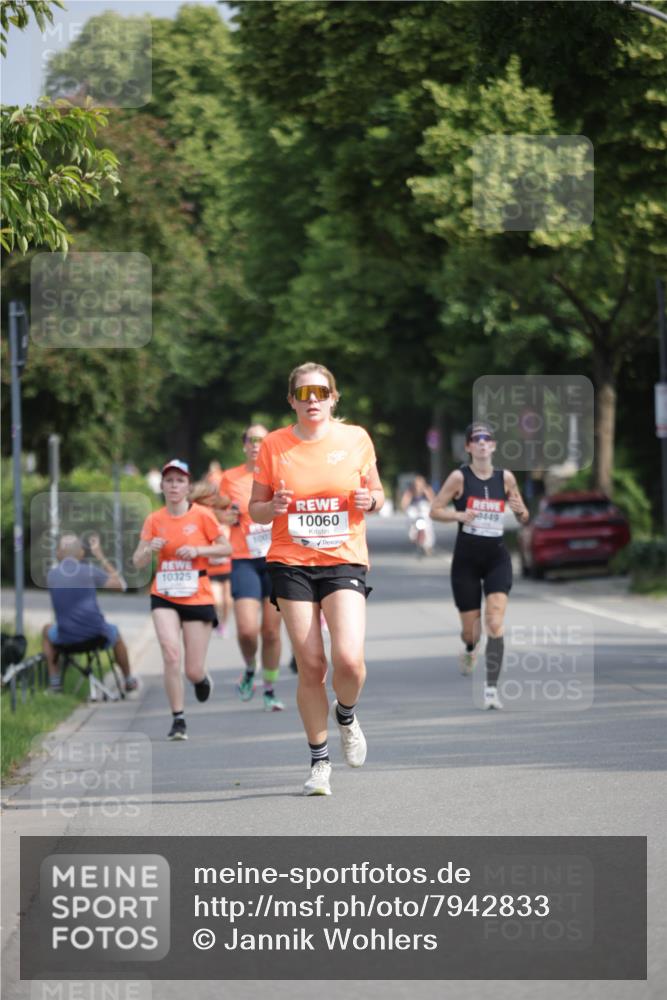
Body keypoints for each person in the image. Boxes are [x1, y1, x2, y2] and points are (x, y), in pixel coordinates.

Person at [249, 362, 384, 796]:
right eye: (303, 394)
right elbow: (256, 509)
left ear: (333, 398)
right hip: (291, 560)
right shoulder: (275, 445)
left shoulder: (356, 439)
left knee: (349, 661)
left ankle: (345, 714)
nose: (312, 401)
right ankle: (319, 762)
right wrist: (276, 506)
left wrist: (371, 499)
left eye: (320, 393)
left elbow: (377, 494)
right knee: (311, 664)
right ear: (291, 400)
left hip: (344, 558)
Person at [430, 422, 530, 710]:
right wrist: (460, 515)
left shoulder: (506, 478)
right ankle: (471, 649)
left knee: (495, 623)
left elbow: (523, 515)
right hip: (466, 562)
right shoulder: (458, 478)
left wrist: (520, 510)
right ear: (469, 446)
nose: (483, 443)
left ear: (494, 445)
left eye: (488, 439)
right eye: (477, 439)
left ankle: (490, 690)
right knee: (471, 632)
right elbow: (434, 510)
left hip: (497, 558)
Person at [132, 459, 231, 740]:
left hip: (197, 594)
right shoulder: (154, 519)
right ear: (162, 486)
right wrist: (149, 549)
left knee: (192, 668)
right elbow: (137, 561)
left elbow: (226, 546)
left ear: (188, 486)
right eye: (169, 481)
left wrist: (197, 549)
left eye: (179, 481)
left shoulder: (201, 516)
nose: (174, 486)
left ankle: (200, 679)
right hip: (164, 593)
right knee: (170, 653)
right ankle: (178, 719)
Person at [220, 427, 284, 712]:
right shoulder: (229, 478)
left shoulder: (281, 475)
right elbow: (217, 512)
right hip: (244, 558)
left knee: (270, 631)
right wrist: (226, 516)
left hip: (276, 557)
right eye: (252, 440)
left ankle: (269, 688)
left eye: (263, 440)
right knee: (247, 630)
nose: (257, 445)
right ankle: (249, 668)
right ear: (244, 445)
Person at [42, 533, 137, 693]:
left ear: (58, 553)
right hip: (96, 635)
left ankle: (55, 683)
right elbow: (121, 586)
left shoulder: (52, 575)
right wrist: (100, 555)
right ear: (81, 554)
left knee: (46, 630)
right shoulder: (90, 571)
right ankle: (128, 680)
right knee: (116, 634)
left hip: (66, 638)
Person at [189, 481, 233, 638]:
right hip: (210, 569)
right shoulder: (199, 516)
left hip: (226, 568)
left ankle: (224, 624)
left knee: (228, 601)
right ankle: (216, 620)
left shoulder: (217, 518)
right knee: (218, 600)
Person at [400, 474, 436, 556]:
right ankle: (412, 535)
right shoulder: (410, 491)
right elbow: (404, 503)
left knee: (428, 526)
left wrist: (426, 493)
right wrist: (405, 507)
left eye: (420, 484)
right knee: (410, 516)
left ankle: (428, 545)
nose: (418, 486)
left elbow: (433, 502)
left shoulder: (427, 490)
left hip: (424, 509)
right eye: (416, 484)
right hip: (414, 510)